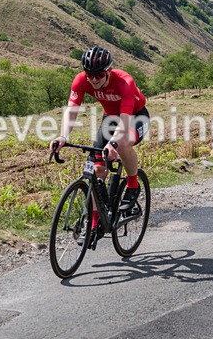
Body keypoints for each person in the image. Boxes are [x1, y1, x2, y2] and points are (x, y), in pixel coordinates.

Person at [50, 46, 150, 236]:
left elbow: (125, 119)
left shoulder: (124, 82)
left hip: (135, 116)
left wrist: (112, 143)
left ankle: (133, 185)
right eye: (90, 75)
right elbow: (71, 111)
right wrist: (62, 136)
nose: (94, 79)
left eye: (99, 75)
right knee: (96, 172)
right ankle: (95, 223)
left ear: (109, 71)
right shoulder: (81, 80)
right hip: (110, 118)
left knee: (121, 143)